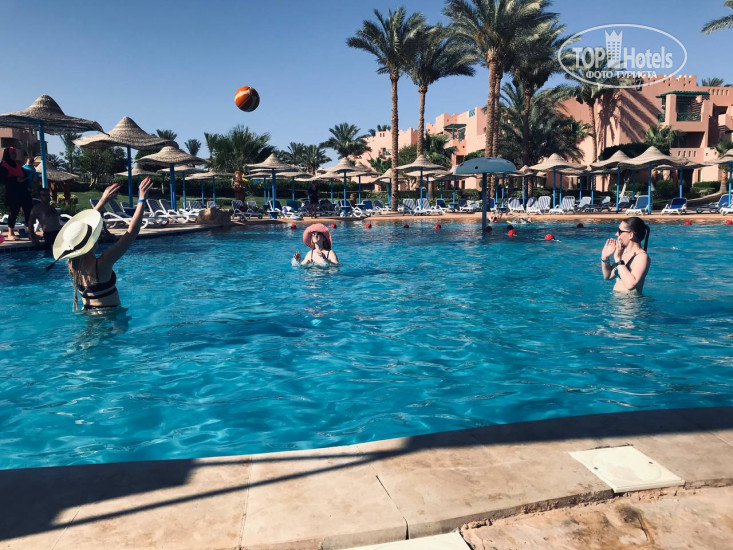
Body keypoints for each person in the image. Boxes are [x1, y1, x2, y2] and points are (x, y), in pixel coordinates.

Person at [49, 177, 153, 311]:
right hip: (110, 319)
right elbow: (132, 232)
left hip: (88, 315)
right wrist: (142, 199)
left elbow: (84, 229)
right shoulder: (103, 264)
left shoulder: (72, 265)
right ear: (90, 242)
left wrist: (103, 201)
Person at [601, 216, 651, 293]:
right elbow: (608, 276)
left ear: (630, 235)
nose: (616, 234)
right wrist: (605, 258)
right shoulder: (623, 253)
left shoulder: (642, 257)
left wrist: (617, 259)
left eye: (620, 231)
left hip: (630, 300)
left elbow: (630, 285)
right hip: (616, 299)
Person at [1, 147, 33, 240]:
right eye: (12, 153)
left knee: (28, 211)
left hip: (23, 191)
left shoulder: (18, 165)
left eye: (15, 153)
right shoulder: (3, 165)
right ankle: (10, 233)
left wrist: (26, 182)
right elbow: (2, 180)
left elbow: (24, 175)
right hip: (12, 192)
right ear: (8, 154)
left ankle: (31, 232)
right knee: (14, 212)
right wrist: (15, 179)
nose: (15, 155)